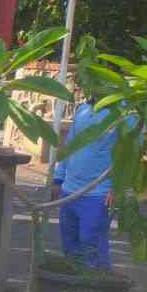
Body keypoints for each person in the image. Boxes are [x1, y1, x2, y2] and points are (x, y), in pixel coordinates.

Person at [53, 99, 124, 269]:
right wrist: (58, 178)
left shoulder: (126, 113)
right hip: (69, 190)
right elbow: (70, 144)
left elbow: (130, 154)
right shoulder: (83, 110)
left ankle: (96, 291)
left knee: (92, 245)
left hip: (98, 193)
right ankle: (74, 290)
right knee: (70, 246)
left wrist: (118, 187)